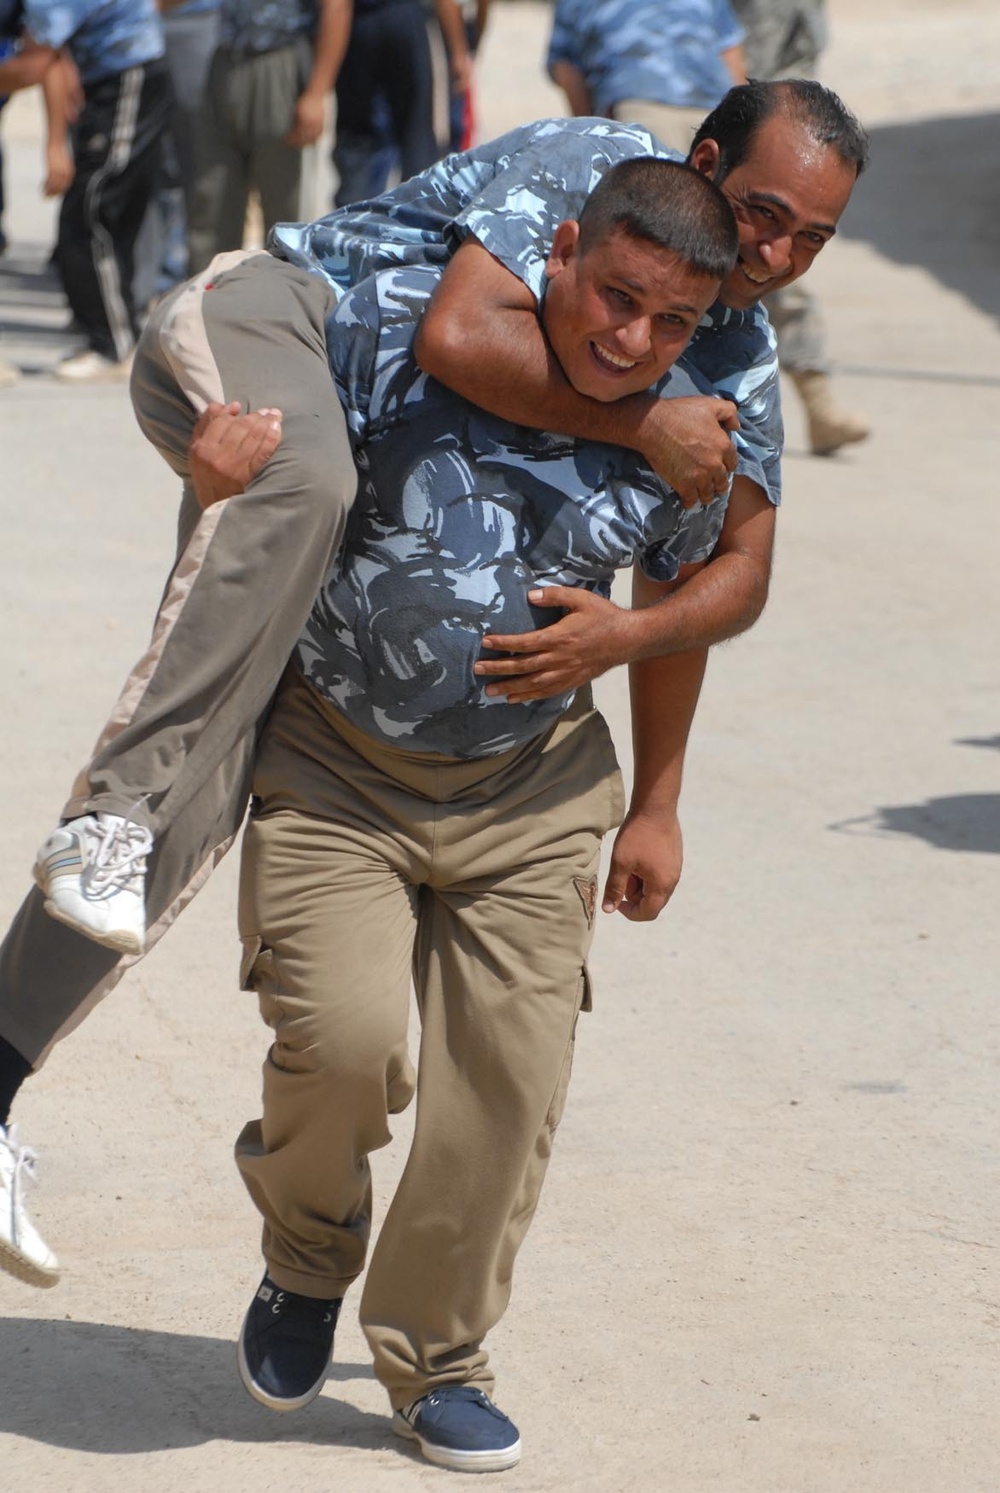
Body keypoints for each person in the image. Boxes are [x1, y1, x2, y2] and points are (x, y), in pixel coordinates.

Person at [0, 84, 869, 1287]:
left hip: (513, 773)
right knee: (284, 531)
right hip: (285, 356)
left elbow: (731, 567)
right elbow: (451, 342)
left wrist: (642, 722)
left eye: (810, 240)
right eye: (764, 215)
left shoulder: (735, 352)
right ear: (694, 168)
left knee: (204, 842)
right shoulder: (576, 186)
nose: (773, 257)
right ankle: (106, 825)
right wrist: (638, 424)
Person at [236, 157, 745, 1473]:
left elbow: (697, 607)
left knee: (505, 1089)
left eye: (669, 324)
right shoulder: (401, 329)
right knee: (343, 1046)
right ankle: (306, 1256)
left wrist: (663, 802)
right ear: (564, 250)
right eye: (614, 298)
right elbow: (248, 461)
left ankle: (438, 1357)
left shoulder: (698, 424)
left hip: (534, 790)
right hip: (336, 761)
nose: (629, 340)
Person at [0, 0, 170, 383]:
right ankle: (110, 337)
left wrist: (55, 145)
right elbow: (53, 57)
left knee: (93, 213)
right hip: (109, 80)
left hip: (126, 77)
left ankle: (115, 346)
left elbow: (36, 63)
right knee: (94, 214)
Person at [730, 0, 869, 454]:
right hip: (740, 114)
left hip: (793, 110)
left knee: (778, 260)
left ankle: (817, 402)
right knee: (762, 256)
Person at [186, 0, 351, 272]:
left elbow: (337, 7)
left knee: (285, 208)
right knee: (211, 200)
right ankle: (207, 301)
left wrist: (316, 93)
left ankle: (284, 301)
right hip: (226, 59)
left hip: (280, 63)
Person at [547, 0, 746, 155]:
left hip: (638, 107)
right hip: (714, 109)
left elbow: (567, 70)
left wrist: (591, 134)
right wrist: (740, 120)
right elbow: (729, 50)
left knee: (657, 202)